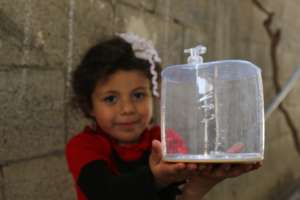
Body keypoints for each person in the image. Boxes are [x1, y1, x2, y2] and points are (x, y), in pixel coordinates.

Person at [65, 32, 261, 200]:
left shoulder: (165, 141)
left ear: (154, 95)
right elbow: (106, 194)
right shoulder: (83, 146)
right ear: (89, 105)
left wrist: (202, 182)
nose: (127, 109)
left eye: (138, 95)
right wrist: (157, 178)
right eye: (110, 99)